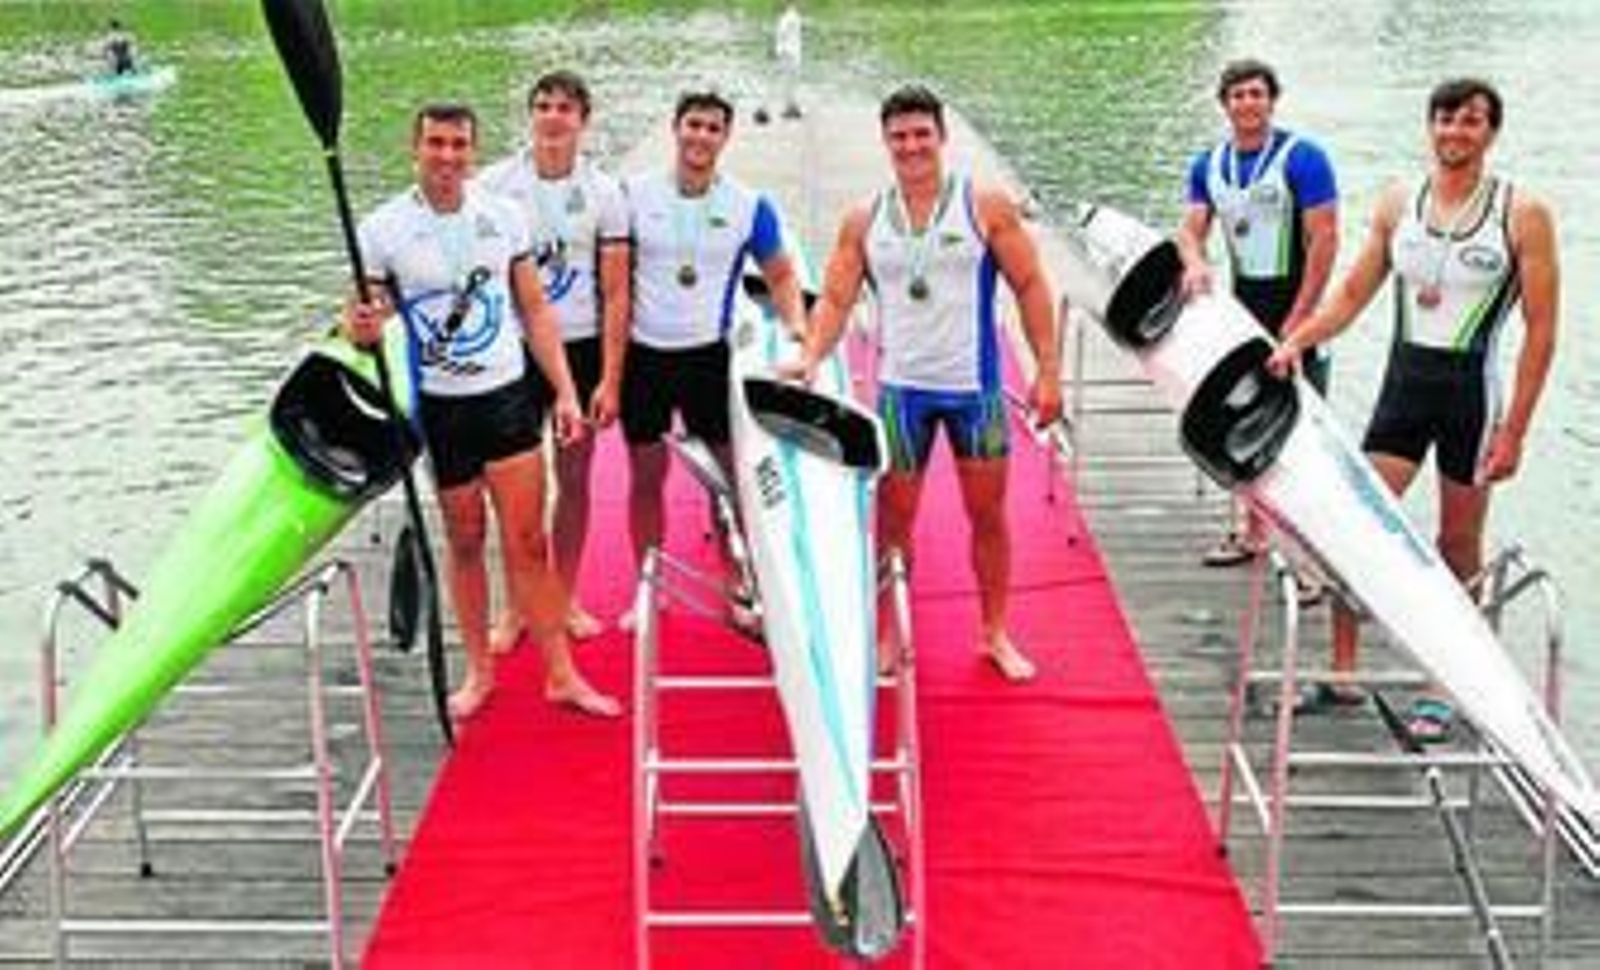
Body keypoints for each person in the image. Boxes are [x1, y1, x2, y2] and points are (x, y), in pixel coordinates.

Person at [1267, 78, 1559, 739]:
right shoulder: (1400, 202)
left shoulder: (1523, 213)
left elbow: (1542, 331)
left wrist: (1515, 431)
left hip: (1471, 400)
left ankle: (1445, 686)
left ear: (1491, 132)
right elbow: (1348, 298)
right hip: (1404, 391)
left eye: (1472, 122)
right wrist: (1295, 343)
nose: (1456, 131)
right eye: (1446, 119)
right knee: (1350, 524)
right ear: (1430, 126)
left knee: (1457, 545)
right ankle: (1343, 675)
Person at [344, 103, 621, 720]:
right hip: (441, 411)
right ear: (414, 148)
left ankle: (560, 674)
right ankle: (479, 672)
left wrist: (568, 393)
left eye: (458, 146)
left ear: (473, 152)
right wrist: (360, 325)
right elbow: (362, 320)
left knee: (528, 541)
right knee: (465, 540)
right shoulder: (381, 229)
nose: (447, 157)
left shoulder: (503, 216)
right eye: (435, 144)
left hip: (506, 399)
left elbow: (536, 311)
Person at [790, 84, 1062, 682]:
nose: (911, 146)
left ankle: (994, 633)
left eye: (921, 135)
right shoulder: (864, 219)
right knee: (892, 519)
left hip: (975, 393)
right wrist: (810, 355)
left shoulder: (985, 205)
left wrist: (1047, 370)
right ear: (885, 142)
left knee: (987, 517)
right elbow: (836, 298)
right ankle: (887, 633)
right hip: (901, 393)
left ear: (942, 137)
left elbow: (1032, 286)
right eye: (899, 136)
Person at [620, 90, 807, 615]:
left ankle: (744, 580)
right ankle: (647, 591)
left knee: (729, 478)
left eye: (712, 128)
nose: (700, 136)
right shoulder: (632, 194)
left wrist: (797, 331)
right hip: (644, 358)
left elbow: (782, 276)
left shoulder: (749, 205)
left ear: (726, 137)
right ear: (674, 128)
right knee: (646, 477)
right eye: (693, 125)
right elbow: (607, 278)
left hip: (708, 359)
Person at [477, 70, 631, 646]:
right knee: (515, 489)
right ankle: (516, 608)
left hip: (583, 345)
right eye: (542, 105)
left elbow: (617, 293)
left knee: (574, 479)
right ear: (530, 114)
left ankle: (562, 599)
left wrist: (610, 379)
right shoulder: (494, 185)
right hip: (513, 351)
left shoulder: (604, 192)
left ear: (583, 120)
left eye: (565, 107)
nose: (552, 116)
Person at [1176, 59, 1339, 589]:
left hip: (1300, 312)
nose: (1248, 103)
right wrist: (1196, 261)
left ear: (1273, 101)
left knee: (1303, 437)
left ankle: (1310, 561)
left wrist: (1299, 322)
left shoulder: (1304, 159)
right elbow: (1190, 230)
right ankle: (1254, 535)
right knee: (1243, 422)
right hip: (1245, 309)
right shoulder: (1209, 163)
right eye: (1238, 95)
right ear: (1224, 104)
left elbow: (1325, 241)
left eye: (1257, 94)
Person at [774, 2, 804, 120]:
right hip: (793, 54)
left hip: (788, 54)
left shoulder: (788, 17)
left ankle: (791, 107)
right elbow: (783, 35)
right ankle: (792, 107)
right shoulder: (793, 16)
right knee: (791, 82)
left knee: (788, 82)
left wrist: (777, 52)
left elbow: (781, 35)